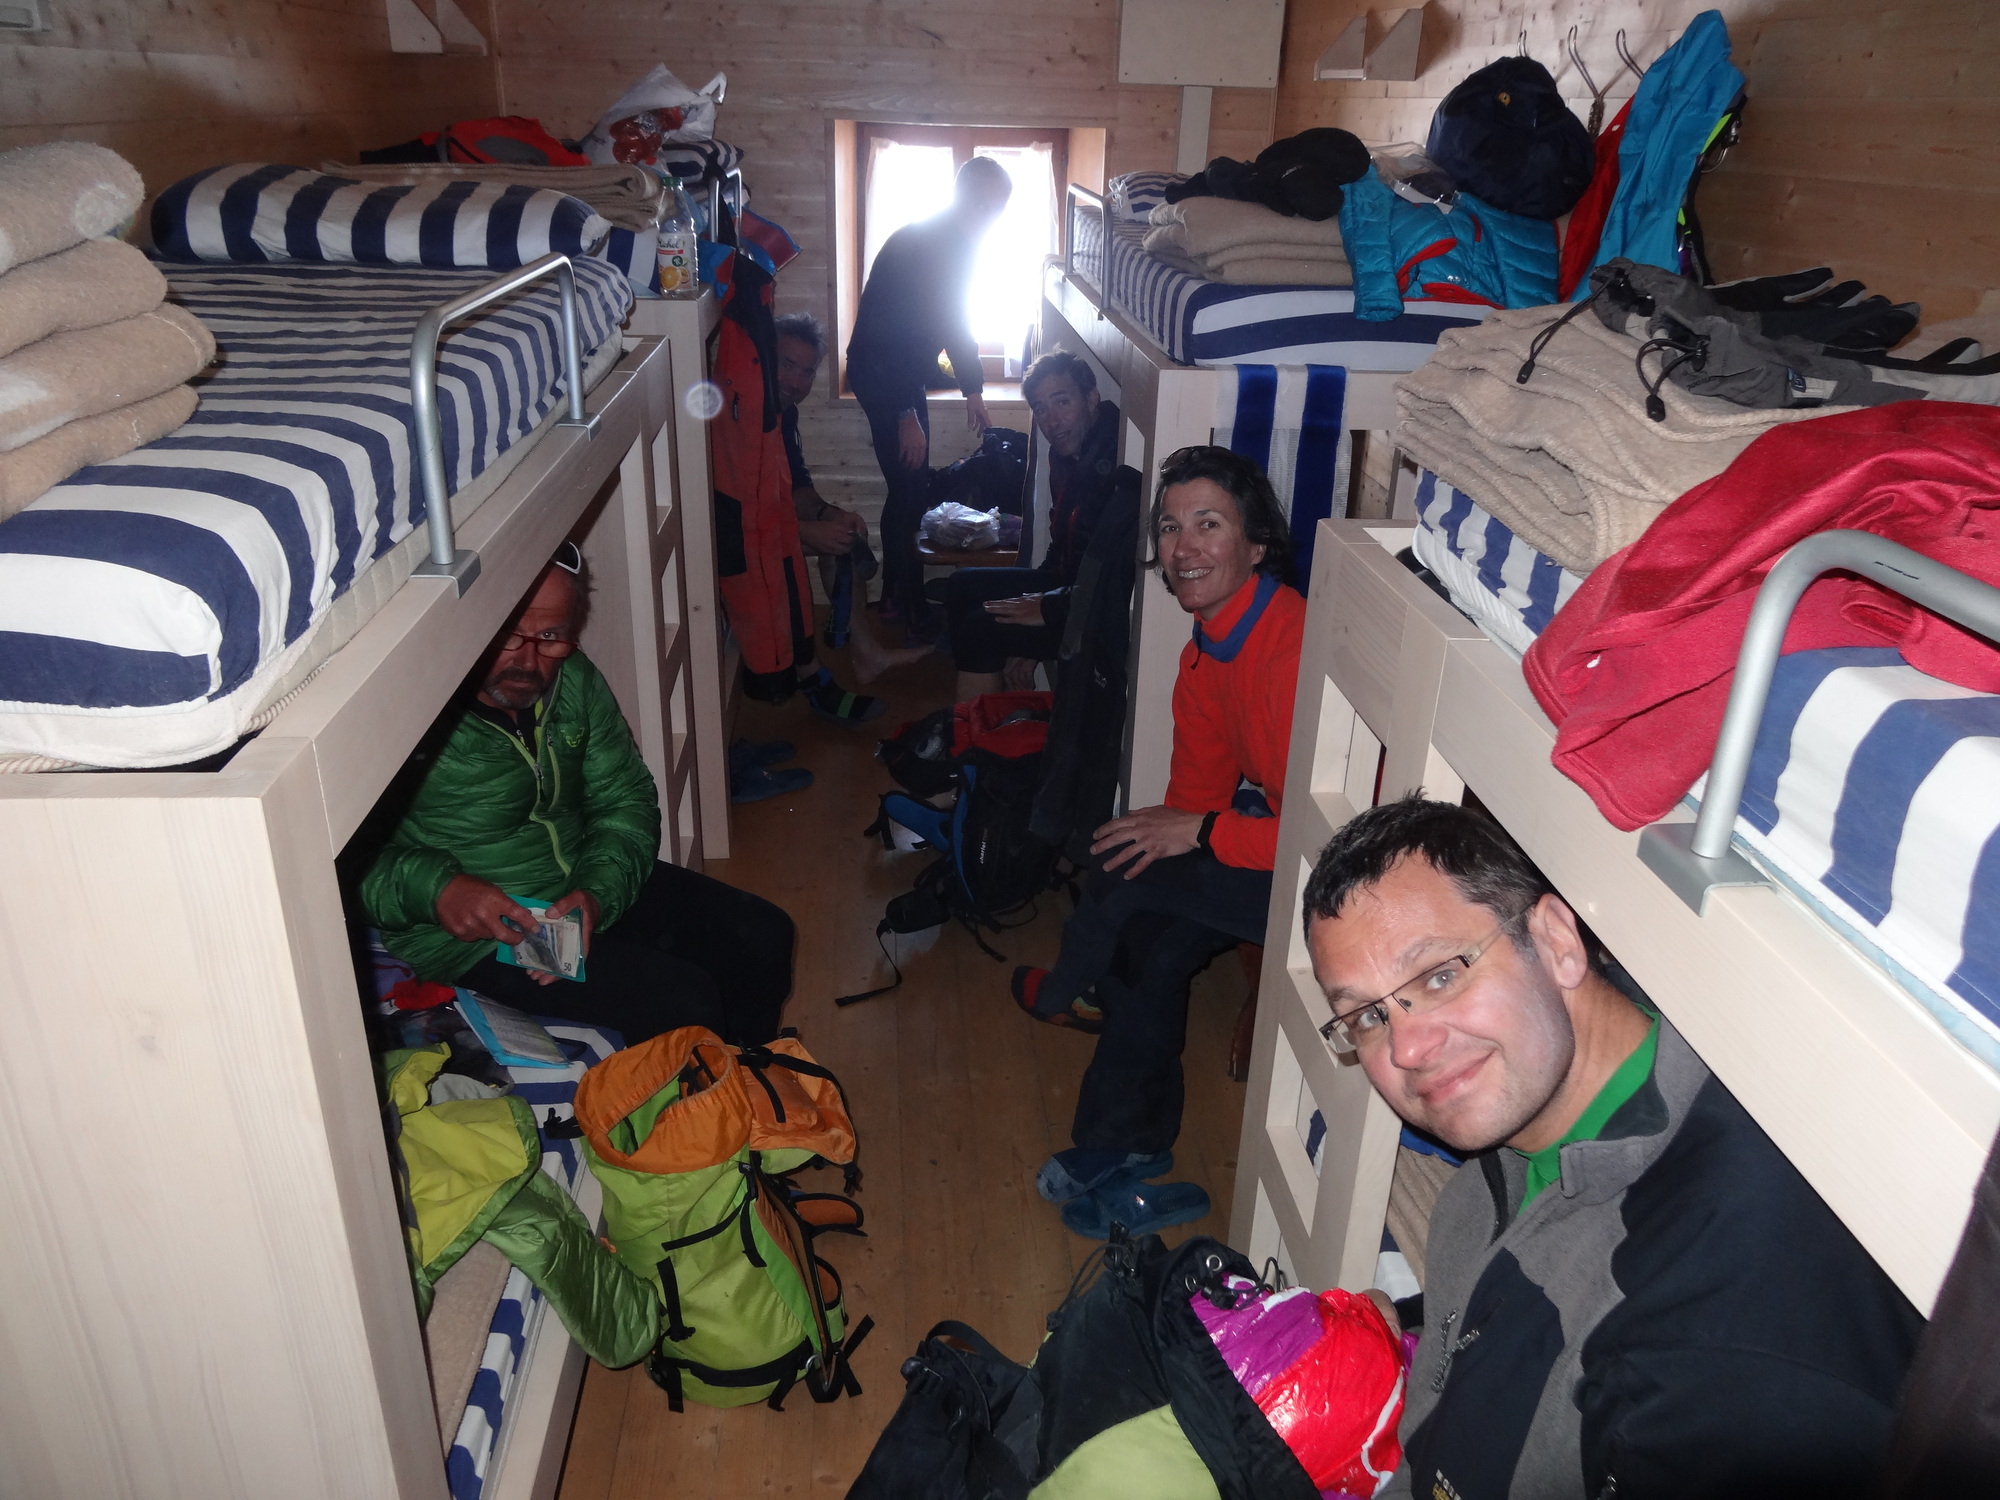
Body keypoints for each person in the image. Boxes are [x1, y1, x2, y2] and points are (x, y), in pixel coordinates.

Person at [1301, 796, 1924, 1499]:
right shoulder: (1534, 1115)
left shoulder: (1714, 1339)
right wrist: (1412, 1330)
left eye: (1440, 975)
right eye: (1368, 1016)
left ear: (1558, 942)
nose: (1407, 1049)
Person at [1019, 446, 1306, 1238]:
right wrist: (1180, 831)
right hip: (1280, 846)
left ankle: (1067, 989)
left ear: (1256, 544)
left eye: (1209, 525)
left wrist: (1203, 831)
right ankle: (1127, 1143)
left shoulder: (1293, 650)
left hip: (1344, 875)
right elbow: (1193, 803)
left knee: (1129, 885)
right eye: (1171, 528)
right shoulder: (1208, 647)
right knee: (1145, 916)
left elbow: (1323, 839)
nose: (1184, 548)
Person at [359, 544, 795, 1047]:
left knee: (765, 934)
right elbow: (345, 867)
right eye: (507, 635)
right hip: (479, 937)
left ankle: (751, 1080)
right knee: (683, 1002)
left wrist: (597, 892)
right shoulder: (410, 716)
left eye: (550, 636)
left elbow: (625, 798)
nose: (528, 662)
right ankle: (709, 1093)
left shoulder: (573, 680)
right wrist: (437, 889)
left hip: (578, 887)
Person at [846, 155, 1013, 637]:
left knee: (911, 486)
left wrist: (973, 388)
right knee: (908, 485)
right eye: (986, 204)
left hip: (900, 372)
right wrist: (905, 414)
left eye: (997, 207)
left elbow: (955, 322)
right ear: (965, 196)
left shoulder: (957, 244)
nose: (991, 215)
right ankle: (905, 604)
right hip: (881, 372)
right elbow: (894, 336)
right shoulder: (924, 243)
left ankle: (899, 598)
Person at [937, 348, 1129, 701]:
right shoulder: (1069, 451)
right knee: (962, 586)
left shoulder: (1117, 463)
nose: (1051, 421)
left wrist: (1046, 608)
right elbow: (1064, 542)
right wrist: (1033, 601)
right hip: (1068, 587)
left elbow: (1113, 581)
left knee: (982, 628)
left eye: (1062, 402)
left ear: (1091, 399)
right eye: (1041, 408)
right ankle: (991, 707)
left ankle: (976, 731)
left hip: (1097, 609)